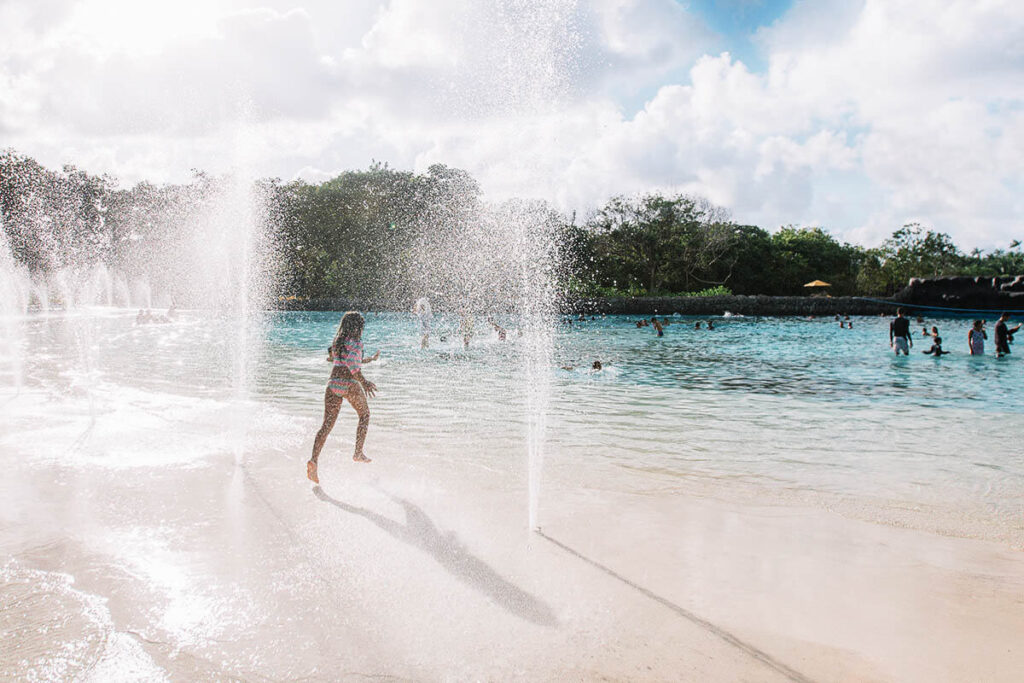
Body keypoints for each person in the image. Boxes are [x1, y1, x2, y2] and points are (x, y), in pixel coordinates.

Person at [308, 312, 378, 483]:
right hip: (349, 384)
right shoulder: (357, 342)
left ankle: (314, 460)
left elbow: (344, 360)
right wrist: (365, 382)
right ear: (358, 327)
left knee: (326, 426)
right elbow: (354, 368)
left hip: (333, 384)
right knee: (364, 415)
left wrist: (370, 359)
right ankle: (358, 452)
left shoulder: (338, 342)